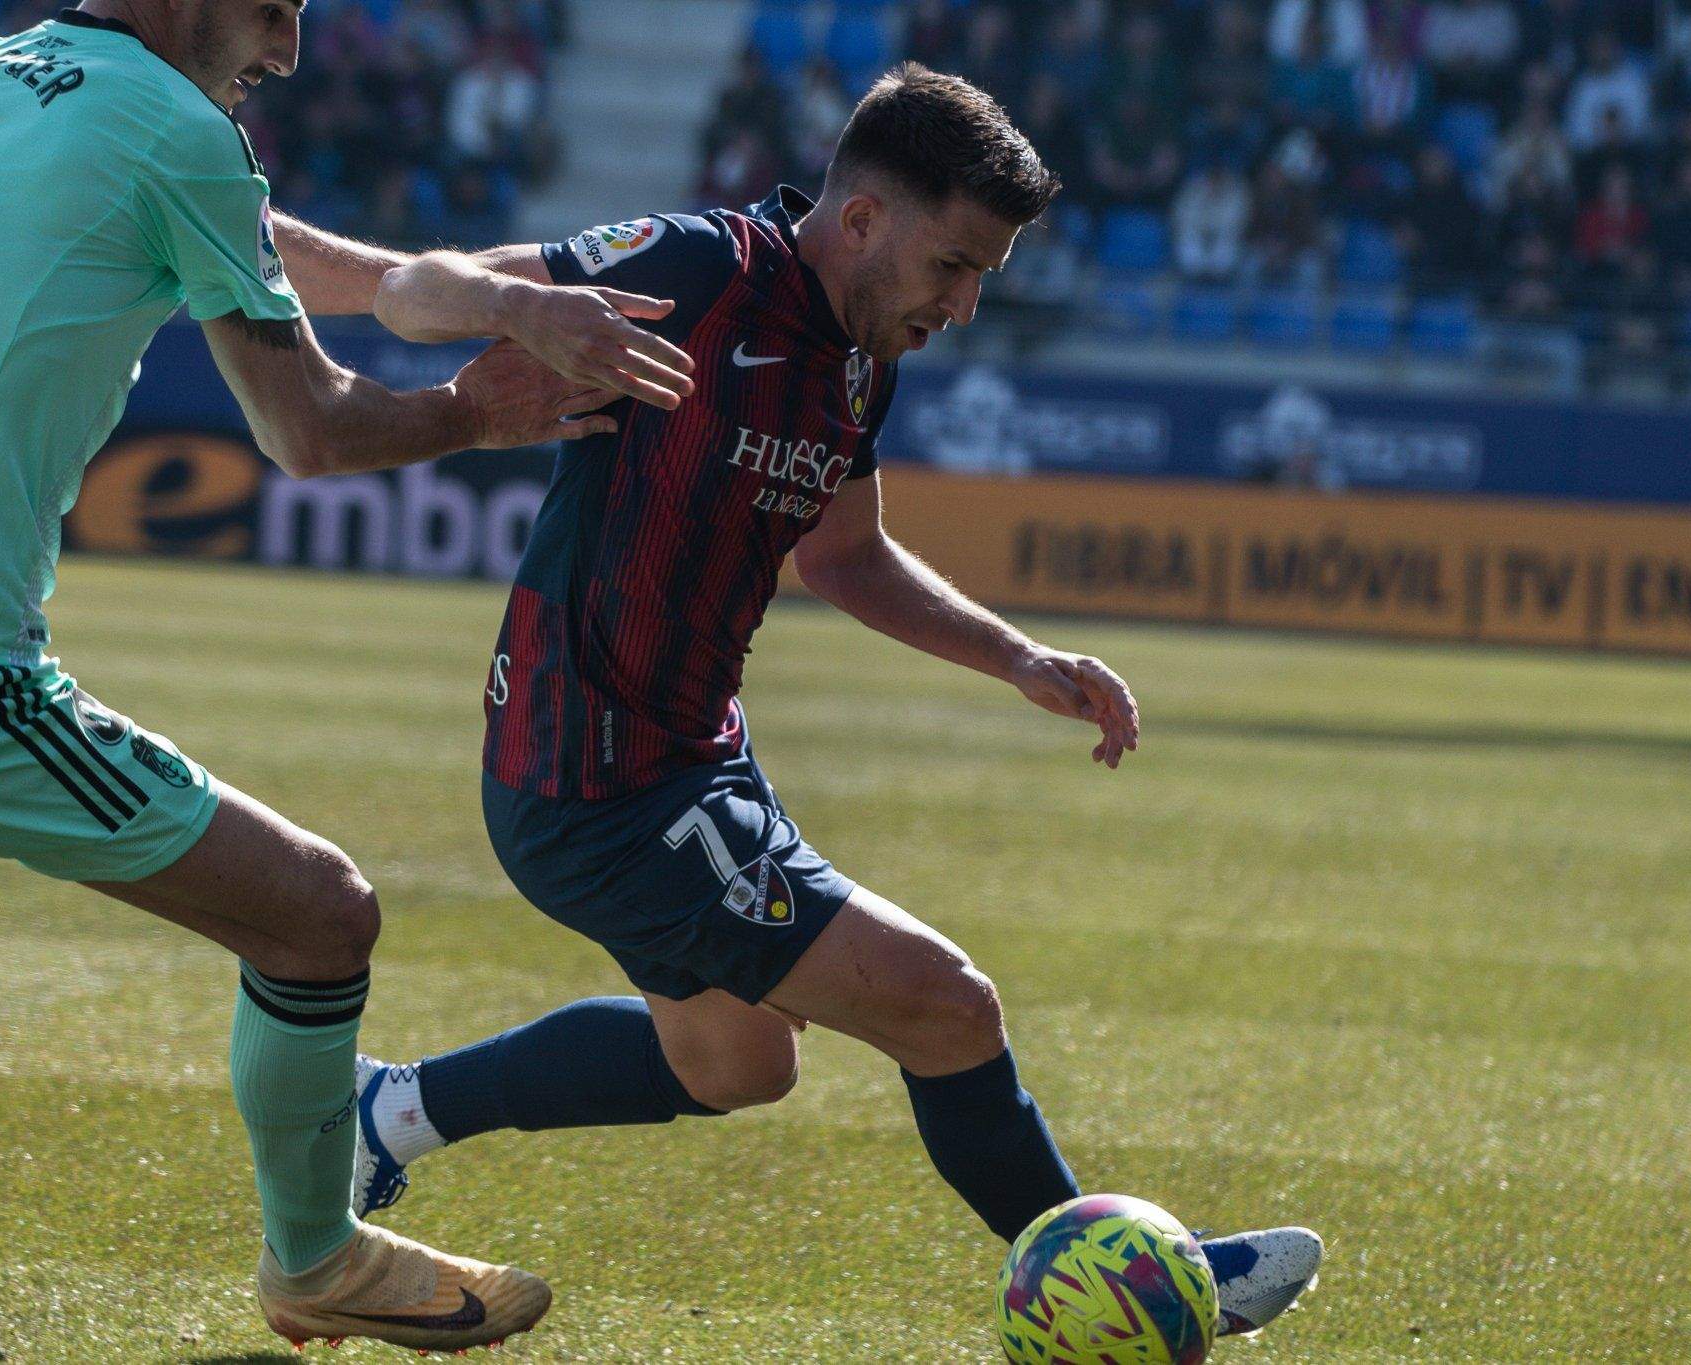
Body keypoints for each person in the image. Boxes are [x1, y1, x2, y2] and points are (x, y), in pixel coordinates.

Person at [0, 0, 701, 1354]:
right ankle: (318, 1259)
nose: (289, 46)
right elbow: (313, 431)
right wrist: (474, 410)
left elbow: (263, 240)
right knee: (319, 919)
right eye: (275, 5)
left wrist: (492, 293)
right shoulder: (174, 128)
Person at [351, 63, 1324, 1341]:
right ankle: (1138, 1274)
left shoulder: (862, 359)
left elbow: (843, 555)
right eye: (956, 267)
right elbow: (412, 292)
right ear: (862, 220)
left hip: (690, 759)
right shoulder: (698, 272)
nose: (964, 307)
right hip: (589, 776)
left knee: (736, 1063)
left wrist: (1017, 660)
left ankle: (388, 1114)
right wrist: (523, 311)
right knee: (943, 1004)